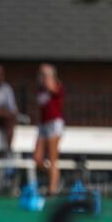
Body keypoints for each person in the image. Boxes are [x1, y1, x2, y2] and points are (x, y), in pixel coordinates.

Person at [34, 64, 65, 196]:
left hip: (54, 123)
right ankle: (56, 176)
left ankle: (52, 190)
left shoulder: (57, 85)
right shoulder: (41, 90)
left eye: (45, 74)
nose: (43, 76)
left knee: (52, 158)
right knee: (37, 158)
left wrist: (48, 77)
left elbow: (52, 89)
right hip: (43, 124)